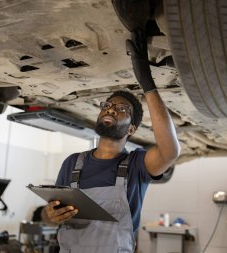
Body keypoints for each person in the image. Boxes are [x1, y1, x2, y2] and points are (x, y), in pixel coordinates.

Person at [42, 29, 180, 253]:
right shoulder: (72, 163)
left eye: (121, 109)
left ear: (132, 129)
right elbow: (48, 214)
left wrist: (147, 84)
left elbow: (170, 152)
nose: (111, 109)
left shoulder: (137, 165)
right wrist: (49, 215)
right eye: (107, 106)